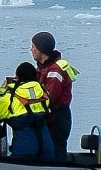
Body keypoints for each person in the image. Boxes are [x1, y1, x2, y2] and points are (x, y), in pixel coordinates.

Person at [0, 61, 55, 160]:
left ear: (17, 77)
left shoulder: (11, 96)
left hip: (24, 148)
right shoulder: (43, 92)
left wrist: (2, 91)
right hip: (47, 147)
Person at [32, 30, 78, 159]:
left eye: (33, 47)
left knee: (57, 148)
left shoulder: (54, 71)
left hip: (57, 117)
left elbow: (49, 97)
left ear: (40, 49)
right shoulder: (43, 68)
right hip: (51, 117)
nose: (31, 50)